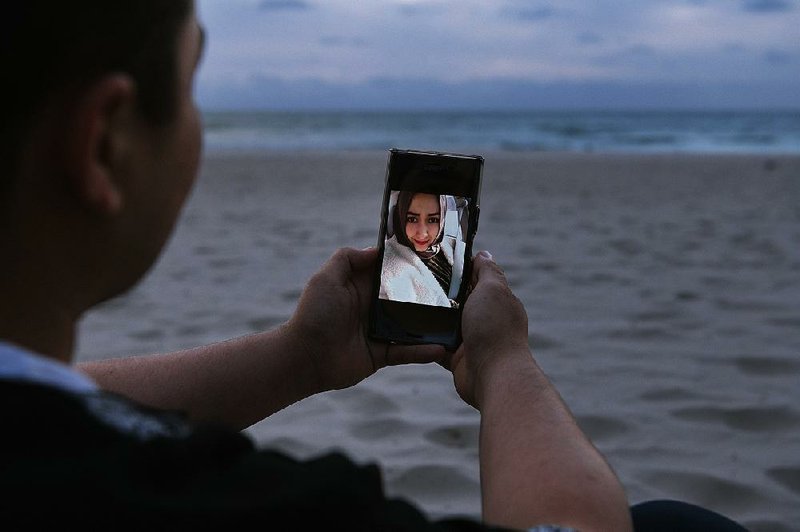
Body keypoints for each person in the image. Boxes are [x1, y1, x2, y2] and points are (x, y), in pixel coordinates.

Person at [0, 2, 750, 531]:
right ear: (104, 144)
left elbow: (55, 404)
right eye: (194, 79)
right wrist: (504, 362)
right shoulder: (227, 503)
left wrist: (299, 359)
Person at [380, 191, 465, 308]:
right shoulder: (386, 268)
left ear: (442, 220)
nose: (422, 234)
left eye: (432, 220)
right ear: (400, 217)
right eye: (412, 219)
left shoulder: (451, 248)